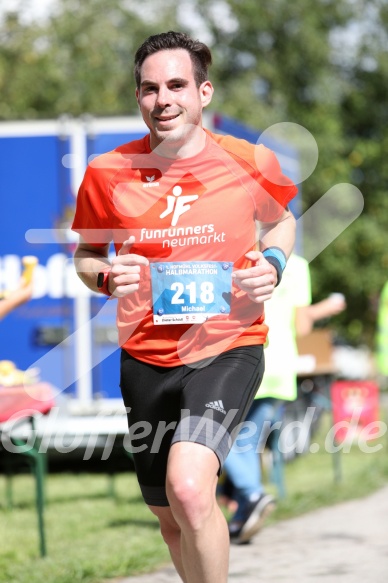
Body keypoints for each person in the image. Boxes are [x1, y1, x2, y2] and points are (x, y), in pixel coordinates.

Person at [72, 31, 297, 583]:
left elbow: (284, 220)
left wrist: (272, 261)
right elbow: (86, 253)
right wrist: (104, 275)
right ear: (138, 97)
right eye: (150, 89)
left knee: (192, 488)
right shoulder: (108, 172)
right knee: (170, 516)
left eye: (177, 85)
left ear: (204, 92)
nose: (163, 99)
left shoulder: (249, 160)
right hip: (145, 355)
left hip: (227, 345)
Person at [221, 254, 346, 544]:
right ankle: (242, 520)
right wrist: (322, 309)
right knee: (246, 443)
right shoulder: (298, 265)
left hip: (240, 360)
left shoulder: (234, 255)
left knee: (223, 439)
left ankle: (253, 495)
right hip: (279, 366)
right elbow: (302, 327)